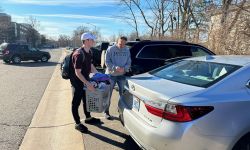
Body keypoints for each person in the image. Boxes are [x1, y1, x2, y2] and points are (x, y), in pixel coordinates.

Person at [70, 32, 100, 133]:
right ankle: (77, 123)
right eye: (92, 40)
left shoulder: (89, 52)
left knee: (86, 100)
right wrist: (87, 83)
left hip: (85, 79)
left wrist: (99, 75)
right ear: (86, 41)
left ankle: (88, 118)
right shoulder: (78, 54)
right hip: (77, 82)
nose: (93, 41)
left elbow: (90, 65)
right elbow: (77, 72)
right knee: (76, 103)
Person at [104, 36, 131, 119]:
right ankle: (106, 112)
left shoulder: (127, 50)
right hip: (111, 75)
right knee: (108, 94)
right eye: (120, 43)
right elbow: (107, 61)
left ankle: (120, 111)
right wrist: (115, 68)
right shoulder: (110, 49)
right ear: (117, 42)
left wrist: (125, 68)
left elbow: (129, 61)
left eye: (123, 44)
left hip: (122, 76)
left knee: (122, 95)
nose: (121, 46)